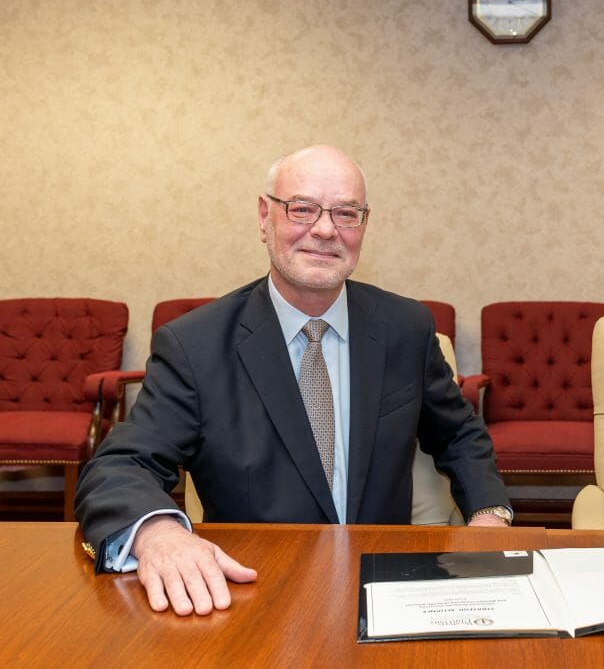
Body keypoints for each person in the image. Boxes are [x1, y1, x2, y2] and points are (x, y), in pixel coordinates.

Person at [76, 144, 512, 616]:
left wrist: (489, 514)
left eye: (346, 213)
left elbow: (459, 434)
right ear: (265, 217)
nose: (325, 230)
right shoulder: (195, 346)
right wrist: (157, 533)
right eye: (302, 208)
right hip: (252, 594)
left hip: (384, 589)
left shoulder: (405, 328)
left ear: (364, 225)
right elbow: (121, 465)